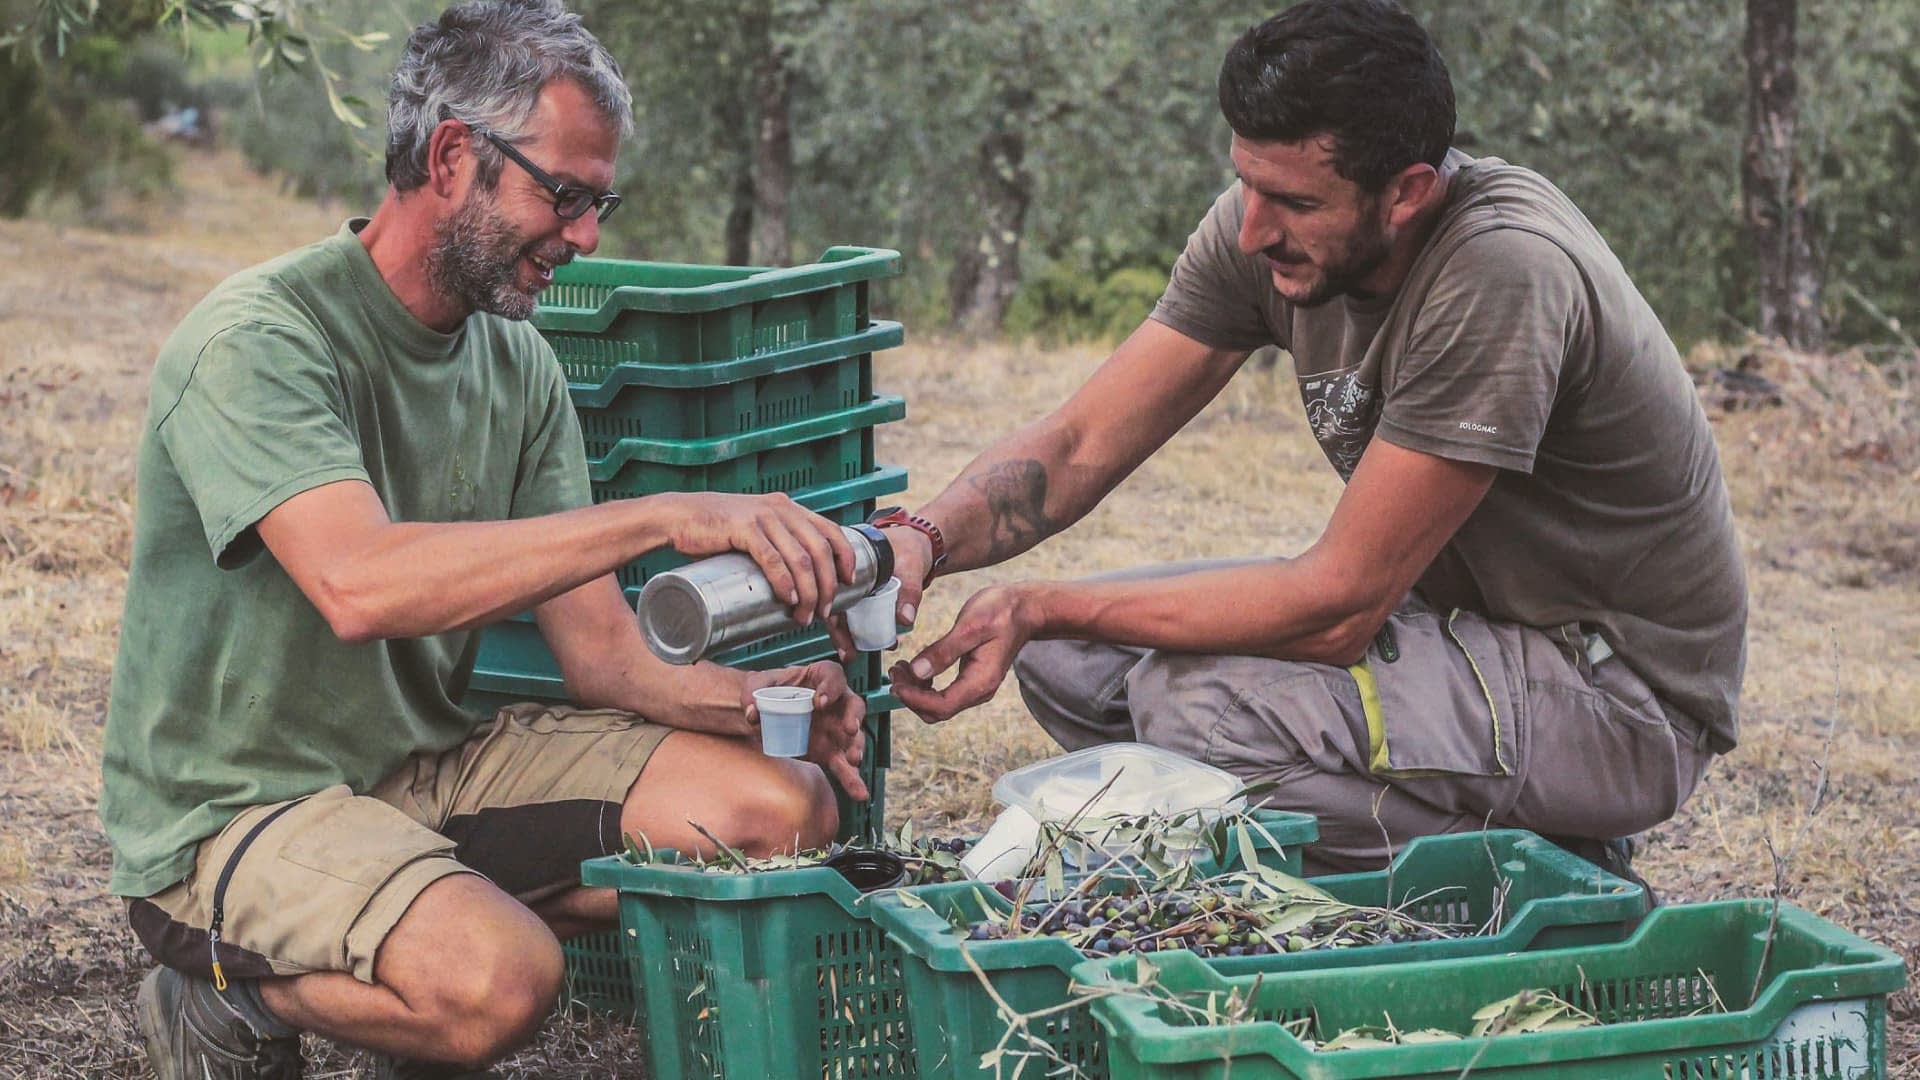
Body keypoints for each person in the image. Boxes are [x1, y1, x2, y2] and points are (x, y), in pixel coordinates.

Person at [100, 3, 869, 1077]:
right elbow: (359, 585)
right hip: (233, 811)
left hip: (421, 769)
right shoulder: (258, 340)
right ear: (453, 157)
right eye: (566, 196)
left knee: (783, 813)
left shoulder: (517, 364)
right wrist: (661, 514)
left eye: (599, 203)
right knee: (505, 982)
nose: (587, 236)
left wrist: (761, 705)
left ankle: (413, 937)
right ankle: (229, 995)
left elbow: (601, 657)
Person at [876, 0, 1745, 881]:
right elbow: (1078, 443)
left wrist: (1037, 603)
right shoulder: (1268, 231)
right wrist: (922, 538)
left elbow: (1339, 607)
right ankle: (1423, 838)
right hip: (1461, 635)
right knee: (1070, 662)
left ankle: (1548, 868)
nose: (1253, 230)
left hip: (1616, 700)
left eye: (1294, 201)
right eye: (1247, 183)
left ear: (1406, 192)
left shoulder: (1502, 270)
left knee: (1200, 711)